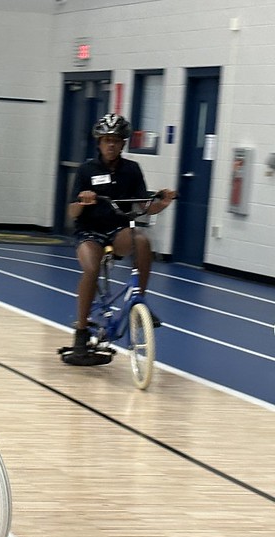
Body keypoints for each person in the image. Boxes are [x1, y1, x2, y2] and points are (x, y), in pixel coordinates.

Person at [68, 113, 176, 357]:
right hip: (90, 232)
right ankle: (81, 332)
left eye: (116, 140)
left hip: (118, 231)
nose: (111, 144)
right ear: (99, 142)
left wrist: (162, 203)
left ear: (123, 143)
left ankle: (140, 302)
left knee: (142, 240)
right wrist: (83, 201)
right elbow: (72, 211)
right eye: (107, 140)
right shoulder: (87, 170)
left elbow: (142, 207)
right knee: (92, 269)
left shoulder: (132, 170)